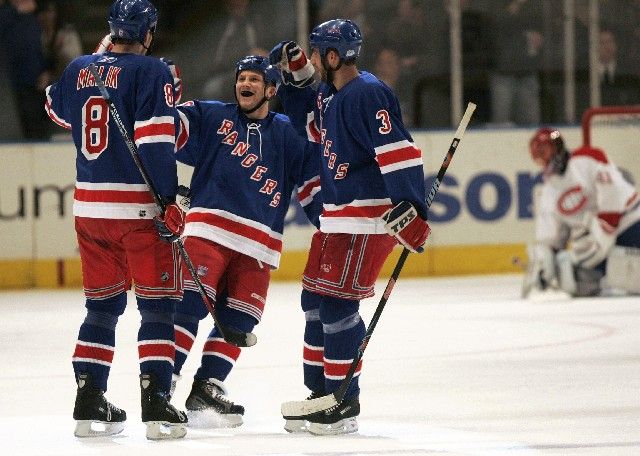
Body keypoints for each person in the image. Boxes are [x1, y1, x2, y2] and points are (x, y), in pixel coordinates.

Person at [269, 18, 431, 435]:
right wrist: (294, 71)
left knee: (339, 307)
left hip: (366, 219)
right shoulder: (331, 94)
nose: (317, 60)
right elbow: (308, 113)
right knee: (313, 302)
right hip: (337, 217)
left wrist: (410, 208)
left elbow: (399, 150)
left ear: (334, 55)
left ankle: (343, 399)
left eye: (319, 52)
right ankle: (320, 393)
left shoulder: (368, 93)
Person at [44, 0, 188, 440]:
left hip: (90, 210)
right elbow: (157, 142)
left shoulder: (78, 68)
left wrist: (96, 73)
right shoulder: (153, 72)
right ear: (148, 33)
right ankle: (157, 404)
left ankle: (89, 400)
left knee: (102, 307)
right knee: (158, 306)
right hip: (138, 212)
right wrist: (169, 200)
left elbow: (55, 108)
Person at [167, 55, 321, 428]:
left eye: (254, 79)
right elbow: (167, 129)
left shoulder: (287, 132)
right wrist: (161, 95)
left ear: (271, 89)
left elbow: (313, 176)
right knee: (189, 306)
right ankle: (162, 382)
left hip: (259, 243)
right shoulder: (212, 116)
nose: (245, 85)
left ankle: (207, 387)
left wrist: (328, 219)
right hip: (208, 228)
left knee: (239, 321)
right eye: (241, 79)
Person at [523, 128, 640, 298]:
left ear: (558, 147)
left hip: (630, 222)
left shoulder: (588, 158)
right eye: (538, 156)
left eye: (545, 152)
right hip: (599, 245)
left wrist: (602, 233)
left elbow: (613, 200)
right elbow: (551, 240)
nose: (544, 160)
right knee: (579, 283)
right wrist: (546, 265)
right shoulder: (549, 194)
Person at [0, 0, 50, 139]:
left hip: (37, 78)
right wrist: (17, 11)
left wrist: (44, 70)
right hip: (15, 81)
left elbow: (37, 48)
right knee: (27, 122)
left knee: (40, 122)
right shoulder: (7, 14)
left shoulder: (32, 19)